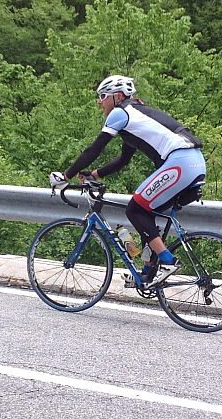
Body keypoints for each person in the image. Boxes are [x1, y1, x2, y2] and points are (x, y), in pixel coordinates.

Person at [49, 74, 205, 288]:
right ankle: (148, 273)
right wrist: (94, 175)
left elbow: (95, 149)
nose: (99, 102)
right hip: (194, 162)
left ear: (118, 96)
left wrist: (65, 176)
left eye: (103, 96)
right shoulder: (135, 117)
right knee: (146, 214)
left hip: (180, 162)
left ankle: (168, 261)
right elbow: (123, 159)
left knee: (135, 210)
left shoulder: (120, 113)